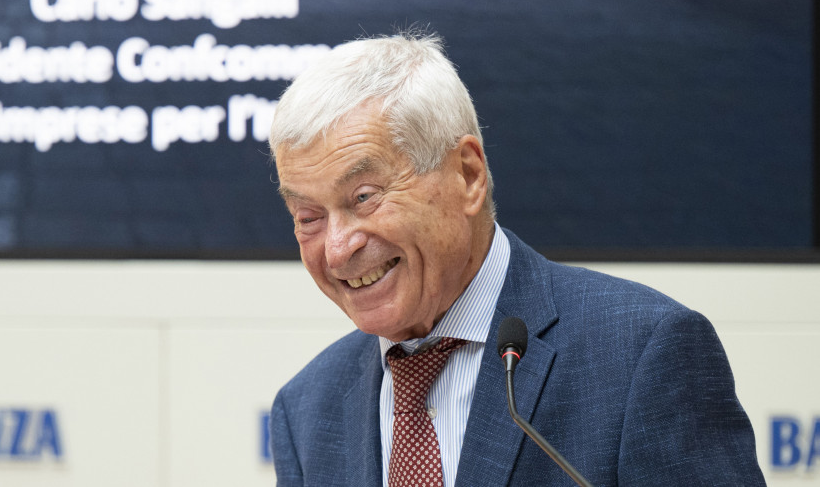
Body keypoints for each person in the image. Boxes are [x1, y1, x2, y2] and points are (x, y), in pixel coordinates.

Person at [267, 31, 765, 486]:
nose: (338, 249)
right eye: (309, 217)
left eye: (364, 197)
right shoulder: (306, 410)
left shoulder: (641, 355)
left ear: (467, 175)